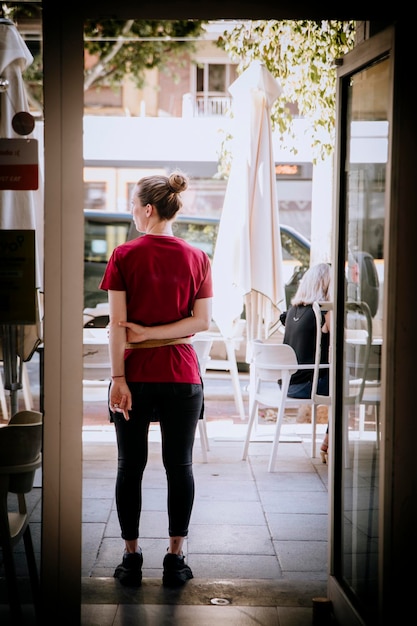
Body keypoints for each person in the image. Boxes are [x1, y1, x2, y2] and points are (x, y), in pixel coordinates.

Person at [99, 171, 213, 588]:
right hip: (183, 376)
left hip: (136, 375)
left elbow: (116, 326)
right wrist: (160, 332)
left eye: (133, 204)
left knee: (130, 467)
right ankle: (175, 558)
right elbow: (201, 321)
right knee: (179, 465)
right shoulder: (198, 257)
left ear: (148, 209)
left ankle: (131, 558)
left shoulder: (124, 255)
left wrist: (118, 377)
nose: (131, 212)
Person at [279, 263, 332, 463]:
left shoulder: (292, 311)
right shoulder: (323, 312)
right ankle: (329, 439)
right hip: (307, 386)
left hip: (287, 384)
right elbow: (339, 343)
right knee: (344, 385)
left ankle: (329, 439)